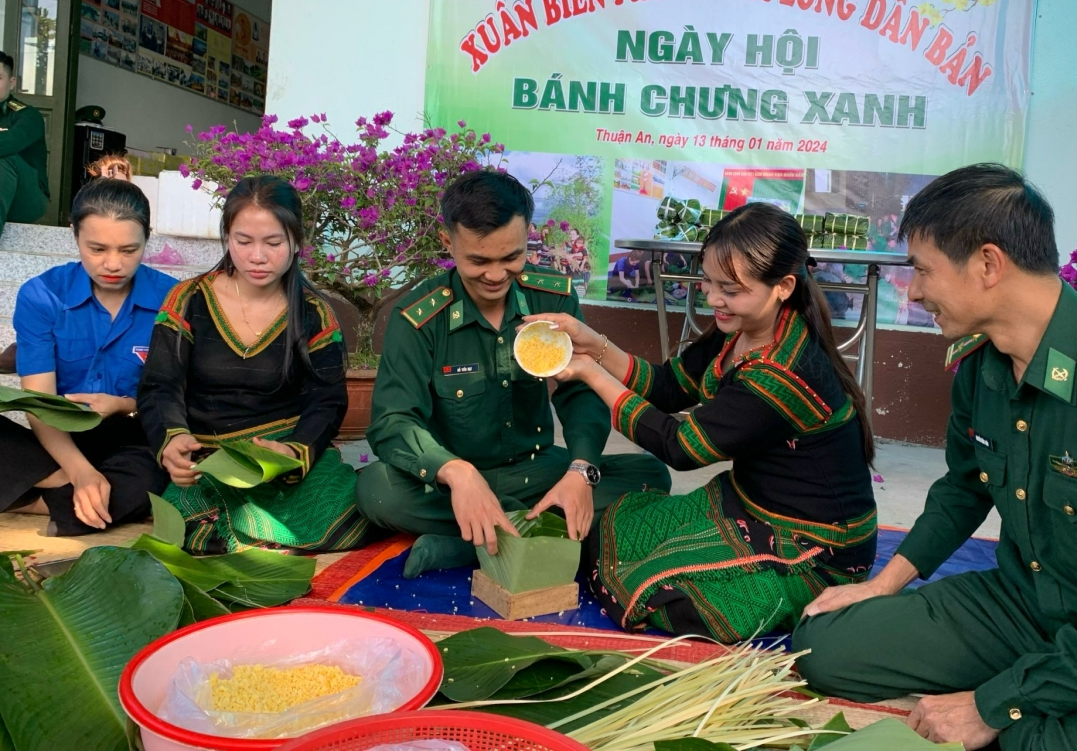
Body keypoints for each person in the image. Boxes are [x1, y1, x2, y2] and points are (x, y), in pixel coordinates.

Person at [794, 164, 1077, 751]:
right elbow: (963, 488)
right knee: (822, 646)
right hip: (1026, 607)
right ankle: (1051, 692)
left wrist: (994, 704)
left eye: (923, 270)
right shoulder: (983, 367)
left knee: (1026, 739)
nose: (913, 291)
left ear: (987, 264)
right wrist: (884, 584)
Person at [536, 203, 878, 641]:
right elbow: (667, 387)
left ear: (784, 286)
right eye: (709, 283)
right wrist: (593, 343)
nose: (713, 299)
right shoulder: (740, 326)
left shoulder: (782, 372)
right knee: (618, 532)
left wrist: (588, 372)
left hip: (814, 547)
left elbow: (681, 448)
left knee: (670, 601)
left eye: (730, 289)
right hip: (748, 505)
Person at [357, 169, 670, 578]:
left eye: (511, 257)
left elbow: (579, 392)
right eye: (478, 260)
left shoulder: (551, 297)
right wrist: (457, 472)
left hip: (535, 469)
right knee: (377, 491)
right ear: (447, 242)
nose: (495, 275)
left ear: (527, 237)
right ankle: (531, 529)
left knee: (650, 475)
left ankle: (468, 544)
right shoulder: (419, 317)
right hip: (451, 482)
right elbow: (391, 421)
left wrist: (580, 471)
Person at [138, 175, 368, 554]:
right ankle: (261, 543)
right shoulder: (188, 299)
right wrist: (173, 438)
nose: (257, 256)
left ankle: (263, 539)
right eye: (243, 241)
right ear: (227, 236)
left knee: (344, 510)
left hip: (281, 462)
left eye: (273, 242)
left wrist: (295, 452)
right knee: (193, 526)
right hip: (210, 461)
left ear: (296, 242)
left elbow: (326, 400)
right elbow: (160, 384)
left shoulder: (313, 313)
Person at [0, 179, 173, 535]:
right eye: (97, 248)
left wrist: (124, 405)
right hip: (55, 436)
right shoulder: (43, 295)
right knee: (111, 493)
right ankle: (75, 493)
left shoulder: (172, 299)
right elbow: (40, 403)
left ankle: (36, 498)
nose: (113, 264)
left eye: (129, 250)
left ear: (147, 239)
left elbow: (173, 399)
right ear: (74, 233)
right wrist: (79, 472)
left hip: (132, 437)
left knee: (146, 478)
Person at [0, 50, 50, 236]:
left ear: (11, 83)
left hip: (28, 197)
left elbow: (10, 142)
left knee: (4, 158)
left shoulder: (29, 116)